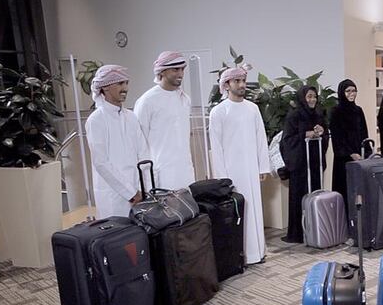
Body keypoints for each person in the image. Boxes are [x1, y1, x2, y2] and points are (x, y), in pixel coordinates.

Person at [209, 67, 272, 264]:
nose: (242, 85)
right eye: (237, 81)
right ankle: (239, 255)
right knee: (238, 212)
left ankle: (257, 252)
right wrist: (222, 179)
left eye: (243, 80)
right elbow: (216, 148)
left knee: (254, 210)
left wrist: (263, 167)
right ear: (226, 85)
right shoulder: (218, 111)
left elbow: (261, 139)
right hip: (232, 172)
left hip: (251, 168)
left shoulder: (252, 108)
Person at [85, 65, 150, 219]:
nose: (125, 88)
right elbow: (101, 163)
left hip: (139, 191)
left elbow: (143, 153)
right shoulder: (96, 120)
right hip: (113, 195)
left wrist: (144, 187)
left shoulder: (131, 117)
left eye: (126, 83)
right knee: (117, 239)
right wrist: (131, 193)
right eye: (120, 84)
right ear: (105, 87)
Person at [133, 51, 195, 190]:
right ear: (162, 71)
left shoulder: (185, 99)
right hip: (161, 174)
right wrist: (144, 183)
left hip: (185, 171)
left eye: (182, 69)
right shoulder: (147, 101)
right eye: (175, 69)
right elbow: (138, 143)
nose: (180, 74)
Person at [280, 86, 329, 243]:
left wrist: (321, 131)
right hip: (300, 165)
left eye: (314, 96)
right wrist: (304, 134)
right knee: (299, 198)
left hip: (314, 164)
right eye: (309, 96)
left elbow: (325, 135)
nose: (312, 100)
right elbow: (287, 141)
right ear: (303, 98)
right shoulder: (294, 116)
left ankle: (316, 229)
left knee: (315, 194)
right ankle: (298, 233)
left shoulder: (319, 114)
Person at [329, 79, 369, 211]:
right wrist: (350, 153)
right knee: (344, 188)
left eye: (354, 91)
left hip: (359, 156)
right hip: (344, 159)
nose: (352, 94)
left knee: (359, 189)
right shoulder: (336, 111)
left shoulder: (358, 110)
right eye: (348, 91)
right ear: (342, 92)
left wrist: (366, 153)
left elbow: (364, 133)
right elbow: (337, 137)